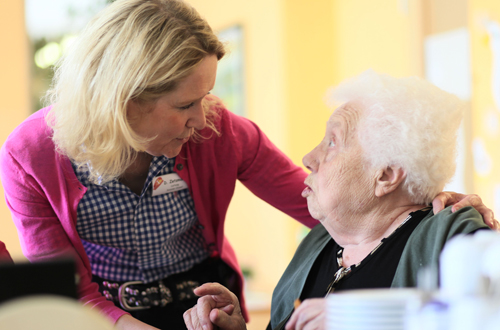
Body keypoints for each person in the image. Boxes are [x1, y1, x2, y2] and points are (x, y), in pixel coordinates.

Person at [0, 1, 494, 329]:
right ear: (125, 101)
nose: (205, 117)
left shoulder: (219, 129)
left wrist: (432, 203)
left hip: (204, 306)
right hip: (108, 314)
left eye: (208, 96)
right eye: (185, 104)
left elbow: (337, 202)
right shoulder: (31, 157)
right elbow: (66, 290)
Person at [182, 70, 492, 330]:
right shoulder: (318, 242)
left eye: (332, 142)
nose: (308, 158)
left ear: (385, 176)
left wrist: (357, 319)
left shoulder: (453, 236)